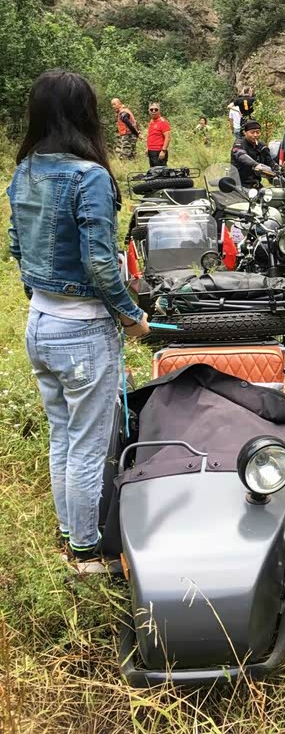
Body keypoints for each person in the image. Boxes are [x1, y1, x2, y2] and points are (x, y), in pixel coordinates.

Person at [6, 70, 150, 574]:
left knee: (62, 437)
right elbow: (100, 262)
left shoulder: (24, 171)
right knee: (88, 447)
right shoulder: (89, 177)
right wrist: (131, 317)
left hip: (39, 323)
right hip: (83, 332)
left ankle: (71, 537)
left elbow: (17, 247)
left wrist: (43, 300)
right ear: (86, 114)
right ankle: (86, 553)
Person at [231, 119, 274, 188]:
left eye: (258, 132)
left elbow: (270, 162)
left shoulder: (261, 146)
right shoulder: (239, 143)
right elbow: (241, 155)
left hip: (255, 184)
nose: (255, 135)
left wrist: (284, 172)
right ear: (245, 132)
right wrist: (256, 165)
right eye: (252, 132)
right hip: (238, 185)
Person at [146, 102, 171, 167]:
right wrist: (148, 148)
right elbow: (151, 136)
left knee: (161, 171)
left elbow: (168, 137)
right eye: (151, 109)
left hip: (159, 151)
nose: (153, 111)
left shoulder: (163, 122)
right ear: (149, 111)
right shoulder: (151, 122)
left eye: (156, 109)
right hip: (151, 151)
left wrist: (163, 151)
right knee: (153, 171)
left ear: (159, 111)